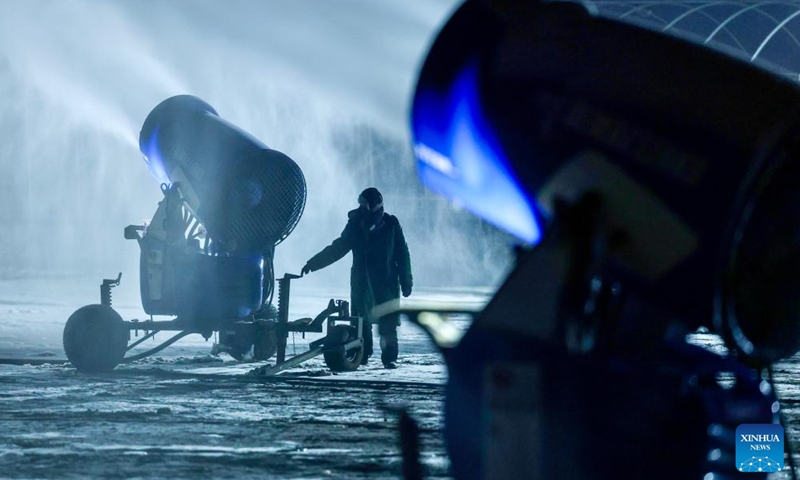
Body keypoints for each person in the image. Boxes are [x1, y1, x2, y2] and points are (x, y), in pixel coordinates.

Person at [302, 187, 413, 369]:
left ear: (374, 205)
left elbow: (402, 253)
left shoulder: (391, 224)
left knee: (387, 322)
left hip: (386, 282)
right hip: (362, 281)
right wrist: (314, 263)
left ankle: (389, 358)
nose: (361, 208)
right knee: (362, 320)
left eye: (365, 204)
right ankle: (363, 354)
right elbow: (338, 248)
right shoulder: (355, 224)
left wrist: (406, 280)